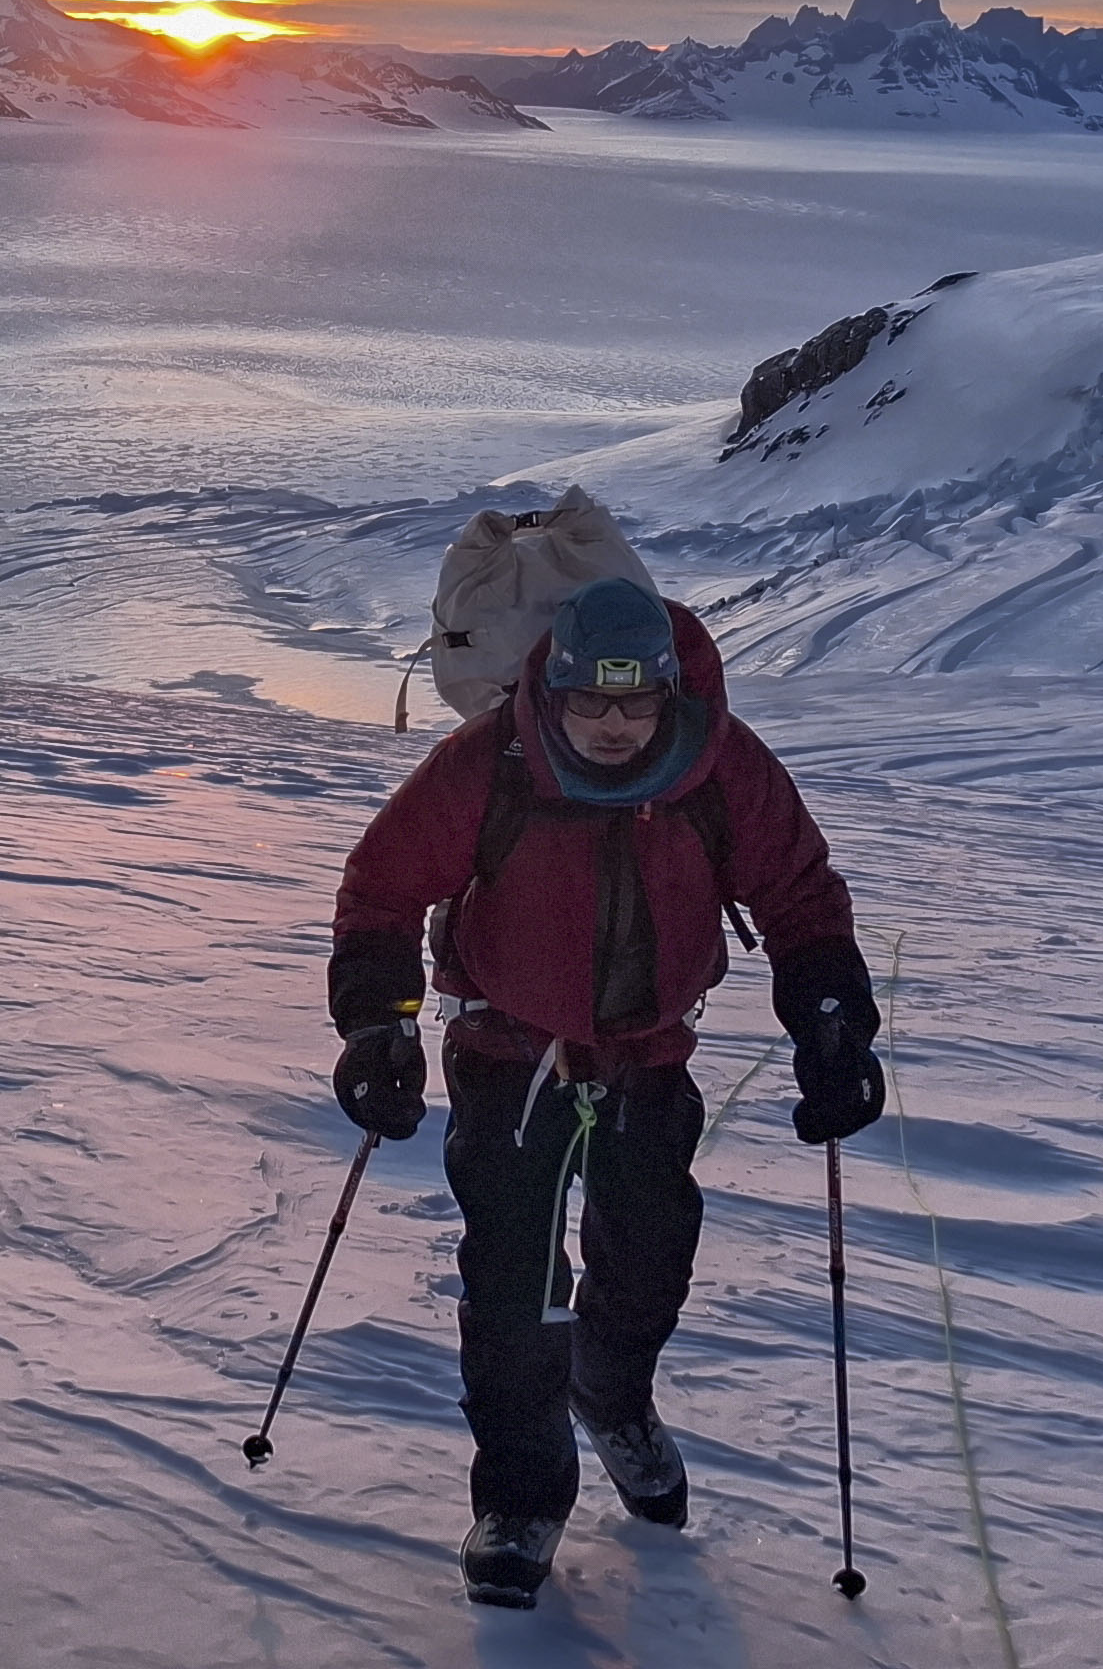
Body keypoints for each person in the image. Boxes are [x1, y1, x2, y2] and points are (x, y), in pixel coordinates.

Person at [325, 575, 886, 1609]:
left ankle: (615, 1397)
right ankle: (522, 1499)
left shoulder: (719, 763)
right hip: (508, 1059)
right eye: (594, 701)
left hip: (648, 1058)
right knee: (513, 1291)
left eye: (638, 703)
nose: (618, 725)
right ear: (558, 691)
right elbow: (385, 884)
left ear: (668, 691)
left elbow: (799, 890)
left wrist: (830, 1018)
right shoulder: (489, 762)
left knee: (647, 1266)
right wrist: (378, 1017)